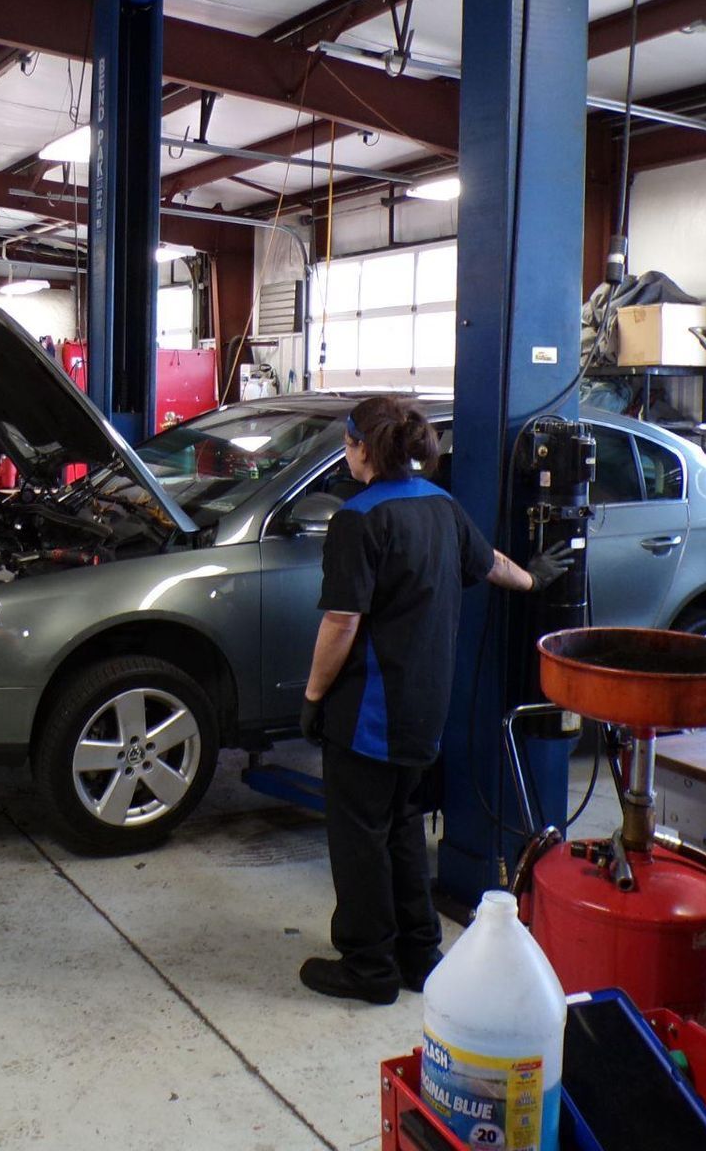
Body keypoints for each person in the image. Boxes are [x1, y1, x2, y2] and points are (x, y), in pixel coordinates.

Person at [297, 394, 572, 1005]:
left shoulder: (358, 519)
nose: (346, 453)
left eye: (347, 442)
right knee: (400, 825)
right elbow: (491, 562)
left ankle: (368, 967)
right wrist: (533, 578)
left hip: (369, 713)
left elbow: (341, 622)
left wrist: (315, 696)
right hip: (426, 709)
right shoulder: (441, 505)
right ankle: (420, 955)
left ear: (364, 448)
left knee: (359, 838)